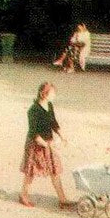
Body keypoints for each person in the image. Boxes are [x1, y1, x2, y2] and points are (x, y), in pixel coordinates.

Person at [18, 82, 73, 210]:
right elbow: (34, 133)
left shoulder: (49, 105)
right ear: (44, 94)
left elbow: (53, 122)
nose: (54, 96)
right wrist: (48, 146)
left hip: (48, 142)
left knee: (55, 170)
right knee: (30, 172)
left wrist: (62, 136)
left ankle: (62, 199)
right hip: (35, 145)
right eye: (52, 93)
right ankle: (23, 195)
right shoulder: (33, 110)